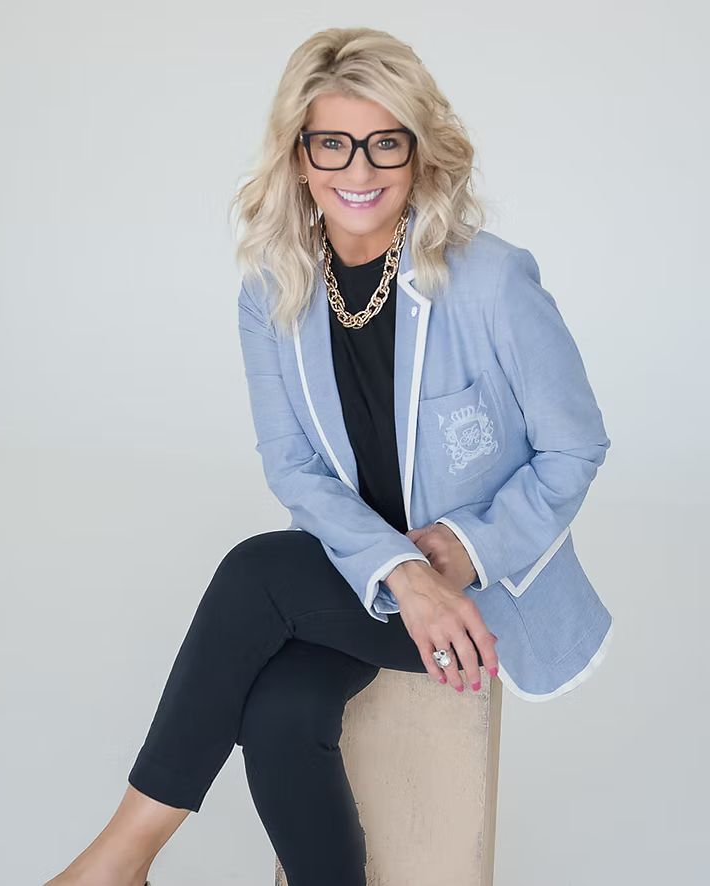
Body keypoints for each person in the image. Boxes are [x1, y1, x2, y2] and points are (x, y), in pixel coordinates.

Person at [44, 25, 613, 886]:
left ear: (418, 152)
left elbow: (575, 445)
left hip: (476, 602)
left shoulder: (491, 282)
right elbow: (294, 467)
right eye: (333, 143)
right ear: (299, 156)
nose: (360, 168)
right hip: (365, 578)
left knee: (256, 573)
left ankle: (119, 862)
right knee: (281, 711)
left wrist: (462, 552)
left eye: (385, 142)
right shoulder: (273, 291)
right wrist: (399, 573)